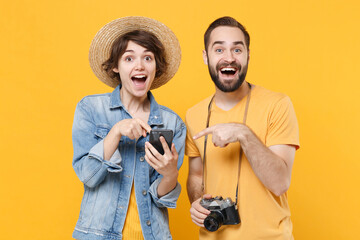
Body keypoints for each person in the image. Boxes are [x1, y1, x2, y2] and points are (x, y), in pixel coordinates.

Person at [72, 16, 186, 240]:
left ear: (156, 67)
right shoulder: (90, 108)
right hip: (98, 235)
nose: (139, 65)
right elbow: (87, 175)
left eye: (148, 58)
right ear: (115, 66)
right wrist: (115, 132)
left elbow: (161, 197)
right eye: (129, 58)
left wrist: (171, 173)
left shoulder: (172, 123)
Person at [186, 16, 300, 240]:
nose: (229, 58)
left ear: (248, 55)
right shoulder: (194, 114)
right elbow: (196, 175)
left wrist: (243, 132)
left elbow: (279, 183)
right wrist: (197, 202)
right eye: (219, 50)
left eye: (237, 50)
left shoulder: (277, 104)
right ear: (205, 56)